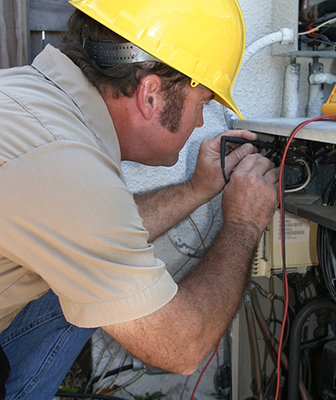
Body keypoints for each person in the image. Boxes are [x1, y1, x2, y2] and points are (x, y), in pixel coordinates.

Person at [0, 0, 279, 398]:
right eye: (202, 104)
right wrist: (245, 223)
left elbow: (99, 237)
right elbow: (182, 347)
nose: (200, 122)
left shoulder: (33, 101)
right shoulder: (63, 162)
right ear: (151, 94)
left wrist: (196, 190)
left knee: (92, 287)